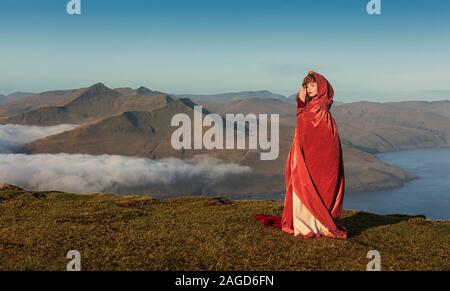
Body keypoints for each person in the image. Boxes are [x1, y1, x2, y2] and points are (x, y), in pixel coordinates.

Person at [255, 71, 347, 239]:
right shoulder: (320, 105)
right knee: (312, 183)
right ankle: (315, 222)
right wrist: (302, 102)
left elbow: (305, 122)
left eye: (313, 85)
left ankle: (312, 224)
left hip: (318, 154)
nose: (310, 88)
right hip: (315, 152)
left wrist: (300, 101)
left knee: (309, 183)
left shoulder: (318, 107)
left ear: (321, 87)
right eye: (307, 85)